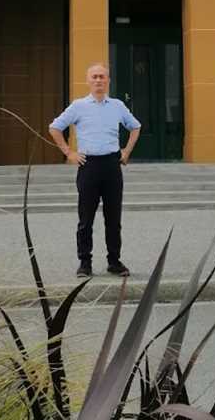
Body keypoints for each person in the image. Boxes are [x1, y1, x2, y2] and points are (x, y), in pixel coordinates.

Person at [49, 63, 141, 278]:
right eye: (94, 77)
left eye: (102, 77)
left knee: (113, 218)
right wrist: (69, 152)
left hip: (112, 166)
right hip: (88, 166)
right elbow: (54, 127)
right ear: (88, 81)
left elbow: (135, 126)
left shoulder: (117, 106)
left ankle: (114, 261)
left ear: (108, 80)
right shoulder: (78, 106)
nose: (98, 80)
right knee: (86, 218)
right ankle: (85, 262)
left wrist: (126, 151)